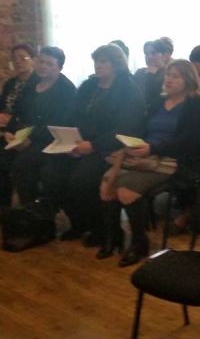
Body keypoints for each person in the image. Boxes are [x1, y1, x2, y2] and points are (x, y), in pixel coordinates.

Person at [100, 60, 200, 267]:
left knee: (126, 190)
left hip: (176, 159)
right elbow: (141, 128)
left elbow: (188, 141)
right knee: (106, 185)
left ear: (188, 80)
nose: (169, 79)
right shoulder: (159, 101)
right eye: (168, 74)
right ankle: (114, 237)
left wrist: (152, 149)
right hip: (147, 155)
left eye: (176, 76)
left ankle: (140, 242)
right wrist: (132, 143)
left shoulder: (196, 104)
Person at [43, 44, 144, 245]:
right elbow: (71, 115)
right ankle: (79, 222)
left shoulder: (129, 90)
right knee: (51, 173)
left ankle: (101, 229)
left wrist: (93, 145)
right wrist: (70, 142)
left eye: (103, 61)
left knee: (82, 179)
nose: (98, 65)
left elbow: (126, 128)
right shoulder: (89, 86)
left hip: (109, 147)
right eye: (96, 61)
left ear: (116, 64)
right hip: (80, 143)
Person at [10, 47, 77, 207]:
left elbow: (60, 122)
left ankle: (39, 211)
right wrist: (11, 132)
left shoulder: (66, 89)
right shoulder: (31, 84)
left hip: (53, 139)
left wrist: (29, 138)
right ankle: (21, 208)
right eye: (41, 62)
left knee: (25, 164)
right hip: (28, 136)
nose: (43, 66)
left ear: (59, 67)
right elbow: (18, 112)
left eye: (49, 63)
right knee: (12, 161)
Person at [0, 44, 38, 131]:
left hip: (24, 128)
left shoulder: (39, 84)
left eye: (22, 58)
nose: (17, 62)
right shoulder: (10, 83)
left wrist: (8, 120)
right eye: (14, 58)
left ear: (33, 60)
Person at [133, 39, 172, 106]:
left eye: (154, 53)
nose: (149, 57)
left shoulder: (169, 75)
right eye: (146, 54)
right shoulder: (140, 73)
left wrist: (150, 75)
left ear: (164, 56)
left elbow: (154, 98)